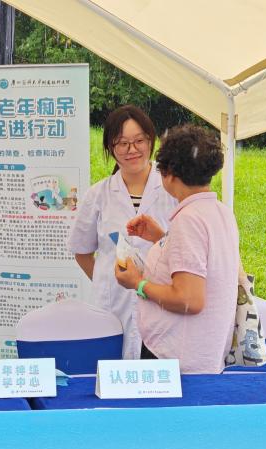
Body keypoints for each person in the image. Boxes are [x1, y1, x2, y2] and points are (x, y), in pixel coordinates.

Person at [114, 124, 239, 374]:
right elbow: (201, 262)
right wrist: (161, 238)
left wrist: (138, 283)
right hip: (202, 355)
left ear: (168, 172)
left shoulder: (189, 220)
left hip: (177, 363)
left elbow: (189, 299)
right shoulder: (220, 213)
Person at [68, 105, 176, 358]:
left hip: (163, 304)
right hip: (113, 306)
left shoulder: (172, 188)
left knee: (157, 373)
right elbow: (82, 252)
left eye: (139, 141)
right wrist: (107, 282)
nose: (132, 150)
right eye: (122, 143)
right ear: (110, 147)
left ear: (151, 141)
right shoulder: (98, 194)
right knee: (114, 371)